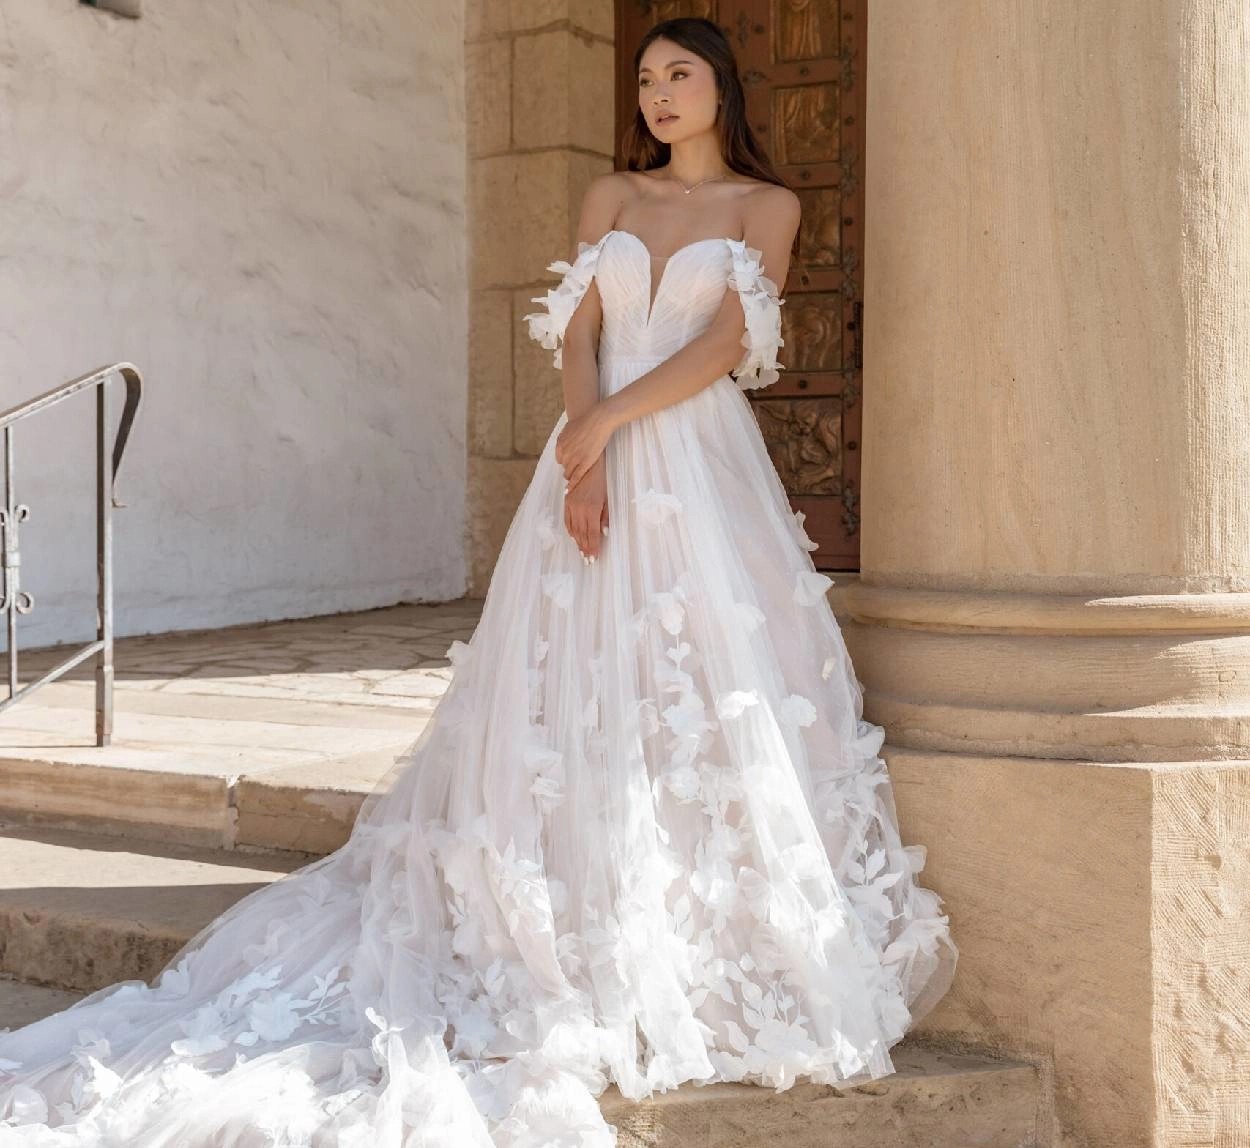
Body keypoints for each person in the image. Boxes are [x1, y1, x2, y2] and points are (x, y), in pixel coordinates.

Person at [0, 16, 956, 1147]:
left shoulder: (767, 206)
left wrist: (606, 421)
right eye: (645, 78)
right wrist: (582, 443)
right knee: (563, 673)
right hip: (589, 454)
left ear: (721, 87)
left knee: (704, 673)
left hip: (698, 460)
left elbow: (722, 350)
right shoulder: (610, 193)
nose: (656, 94)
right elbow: (575, 328)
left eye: (678, 75)